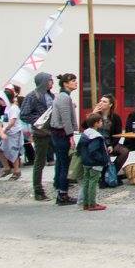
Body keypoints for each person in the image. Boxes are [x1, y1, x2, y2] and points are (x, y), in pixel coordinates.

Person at [20, 71, 55, 201]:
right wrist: (39, 120)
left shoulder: (51, 95)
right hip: (41, 132)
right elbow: (24, 114)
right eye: (50, 80)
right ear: (43, 81)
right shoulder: (32, 96)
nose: (52, 82)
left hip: (54, 130)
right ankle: (38, 190)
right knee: (40, 161)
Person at [49, 73, 80, 206]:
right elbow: (66, 118)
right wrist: (70, 135)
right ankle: (62, 194)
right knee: (64, 165)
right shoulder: (63, 97)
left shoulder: (64, 97)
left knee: (62, 163)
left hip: (59, 134)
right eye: (73, 81)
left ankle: (62, 191)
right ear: (65, 83)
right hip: (61, 135)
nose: (76, 83)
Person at [77, 112, 111, 212]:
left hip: (86, 162)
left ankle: (86, 203)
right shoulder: (96, 136)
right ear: (96, 123)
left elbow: (79, 148)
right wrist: (102, 159)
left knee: (86, 181)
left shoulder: (85, 133)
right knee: (93, 183)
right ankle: (92, 203)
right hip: (95, 163)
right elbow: (93, 150)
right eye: (100, 121)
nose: (102, 123)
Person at [0, 88, 25, 180]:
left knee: (13, 151)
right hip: (7, 132)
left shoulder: (14, 108)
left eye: (0, 100)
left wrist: (4, 130)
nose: (0, 102)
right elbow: (4, 120)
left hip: (14, 133)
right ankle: (7, 168)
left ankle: (16, 171)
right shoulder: (7, 108)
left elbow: (12, 122)